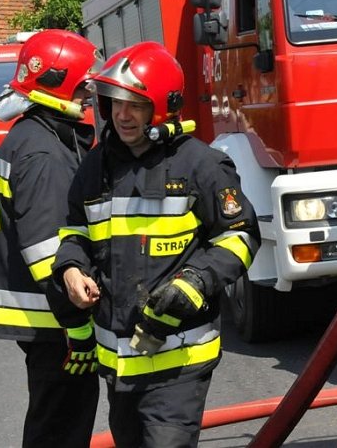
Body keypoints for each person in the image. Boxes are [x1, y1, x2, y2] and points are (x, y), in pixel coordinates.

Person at [50, 41, 260, 447]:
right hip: (117, 366)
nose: (122, 115)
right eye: (115, 103)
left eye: (135, 104)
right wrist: (71, 268)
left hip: (178, 363)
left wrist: (196, 281)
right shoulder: (95, 167)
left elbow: (241, 234)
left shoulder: (200, 164)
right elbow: (75, 232)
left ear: (162, 106)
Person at [0, 29, 102, 448]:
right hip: (55, 321)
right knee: (60, 431)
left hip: (45, 320)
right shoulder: (43, 153)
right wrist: (77, 327)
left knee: (53, 423)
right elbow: (48, 252)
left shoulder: (30, 136)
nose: (89, 95)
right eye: (82, 85)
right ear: (58, 84)